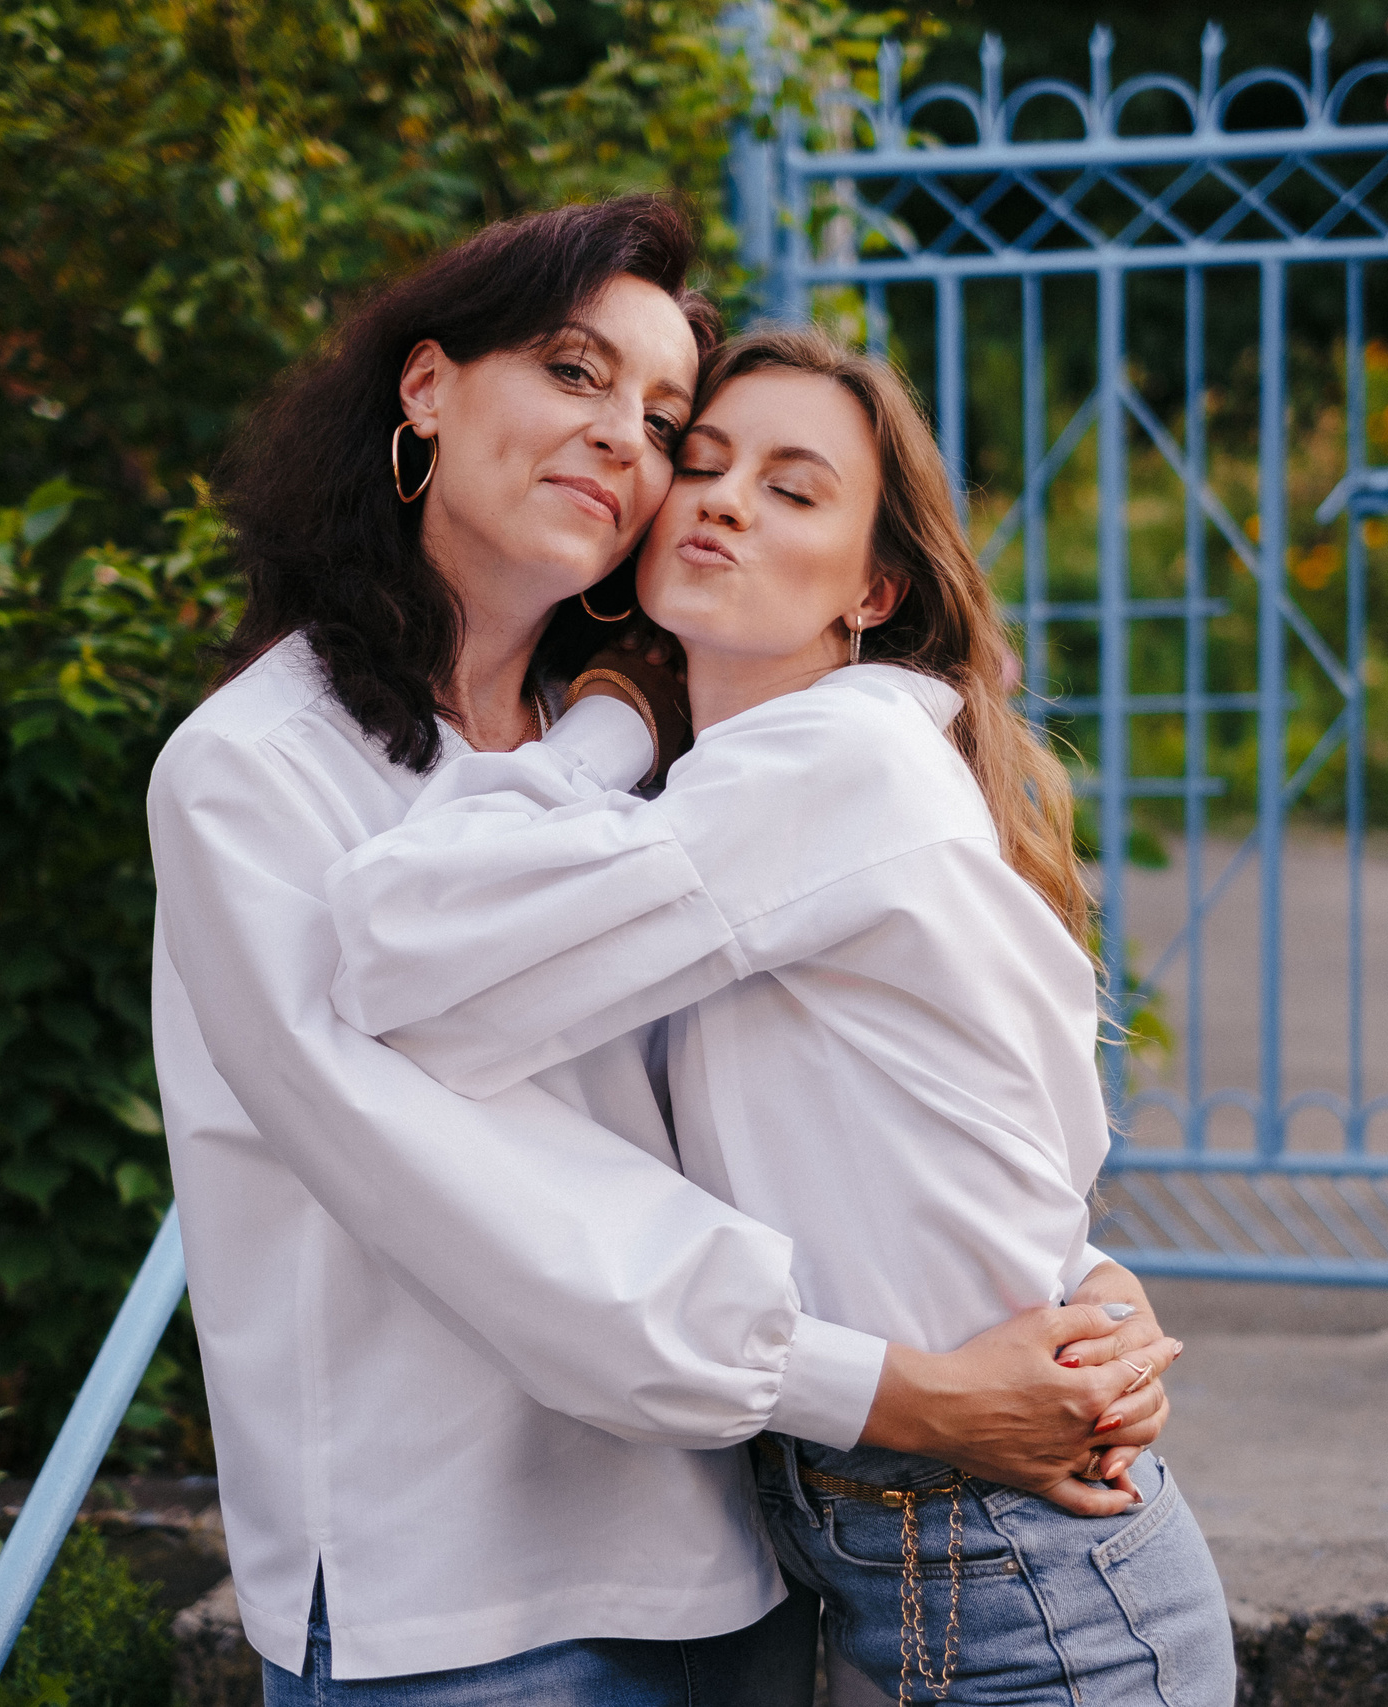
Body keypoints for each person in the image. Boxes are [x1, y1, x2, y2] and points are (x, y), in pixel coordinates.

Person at [148, 196, 1180, 1704]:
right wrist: (904, 1392)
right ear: (425, 388)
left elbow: (824, 1108)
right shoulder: (255, 774)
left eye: (662, 414)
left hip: (734, 1564)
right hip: (458, 1605)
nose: (627, 438)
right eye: (575, 373)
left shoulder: (677, 757)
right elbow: (482, 1201)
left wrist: (1064, 1282)